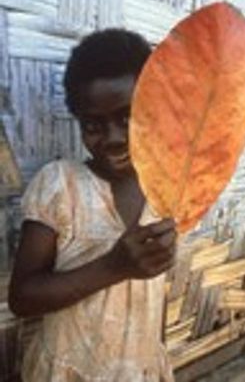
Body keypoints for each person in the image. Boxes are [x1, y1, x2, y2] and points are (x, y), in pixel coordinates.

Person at [8, 28, 177, 382]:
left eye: (127, 117)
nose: (113, 138)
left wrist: (155, 355)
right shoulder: (59, 186)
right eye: (93, 124)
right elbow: (22, 298)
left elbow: (154, 292)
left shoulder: (166, 189)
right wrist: (114, 267)